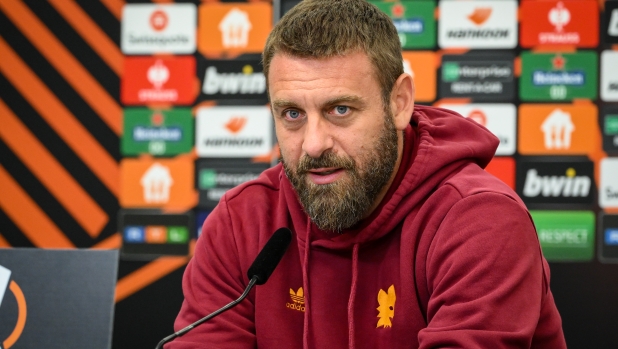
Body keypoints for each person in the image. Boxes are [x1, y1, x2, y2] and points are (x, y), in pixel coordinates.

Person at [170, 0, 567, 348]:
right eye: (292, 114)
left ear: (399, 103)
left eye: (340, 110)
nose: (312, 144)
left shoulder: (480, 221)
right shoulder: (242, 223)